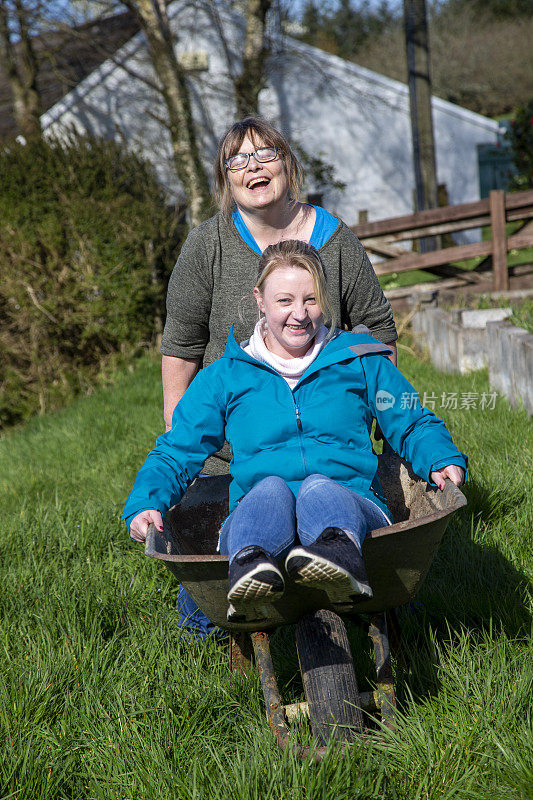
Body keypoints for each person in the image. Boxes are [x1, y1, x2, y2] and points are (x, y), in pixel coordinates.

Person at [124, 241, 466, 624]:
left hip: (352, 507)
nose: (300, 315)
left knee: (321, 486)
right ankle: (251, 571)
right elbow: (176, 449)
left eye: (311, 299)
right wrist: (146, 501)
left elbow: (411, 419)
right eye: (285, 300)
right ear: (260, 300)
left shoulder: (359, 360)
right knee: (269, 489)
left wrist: (440, 457)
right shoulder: (226, 376)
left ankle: (337, 560)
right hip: (255, 514)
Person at [159, 116, 399, 635]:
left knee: (377, 567)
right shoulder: (208, 245)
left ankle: (367, 604)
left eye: (264, 153)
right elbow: (180, 344)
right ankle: (219, 649)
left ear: (287, 163)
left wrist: (380, 416)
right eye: (237, 159)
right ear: (225, 177)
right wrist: (183, 439)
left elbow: (377, 330)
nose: (253, 167)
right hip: (236, 450)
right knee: (205, 606)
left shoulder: (335, 242)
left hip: (329, 444)